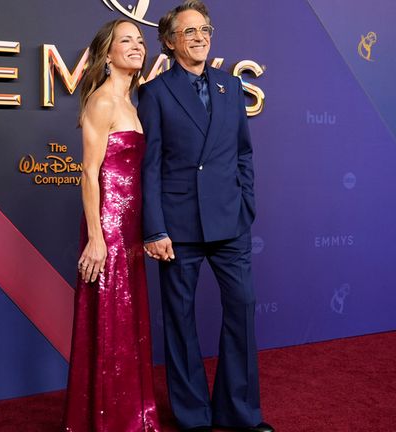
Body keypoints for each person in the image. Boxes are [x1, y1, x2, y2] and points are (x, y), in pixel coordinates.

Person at [138, 2, 274, 432]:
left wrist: (245, 203)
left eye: (205, 29)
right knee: (179, 319)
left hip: (230, 221)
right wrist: (155, 227)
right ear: (169, 41)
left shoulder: (230, 87)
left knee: (243, 307)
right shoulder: (156, 92)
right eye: (189, 31)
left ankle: (240, 413)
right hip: (177, 228)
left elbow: (243, 153)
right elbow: (151, 166)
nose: (200, 37)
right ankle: (193, 417)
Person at [63, 19, 161, 432]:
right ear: (108, 54)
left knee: (127, 323)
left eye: (140, 40)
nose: (137, 46)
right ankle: (106, 421)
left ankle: (131, 416)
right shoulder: (102, 101)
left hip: (131, 229)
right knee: (108, 321)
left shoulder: (132, 102)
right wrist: (97, 239)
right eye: (127, 40)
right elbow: (89, 173)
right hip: (108, 227)